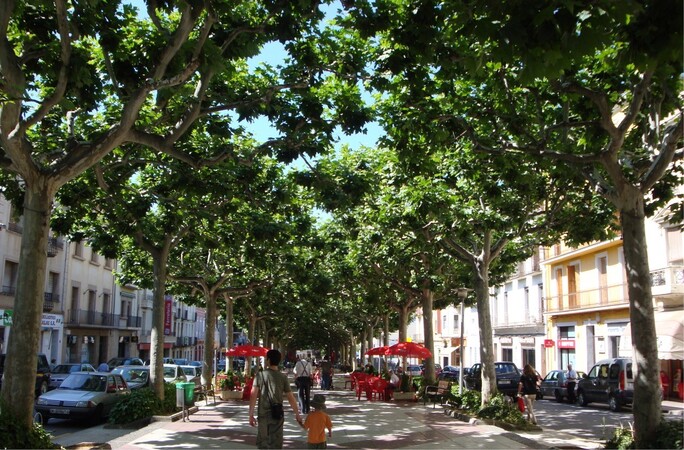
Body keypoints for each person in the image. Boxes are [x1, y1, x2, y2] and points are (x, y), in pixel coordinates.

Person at [249, 349, 301, 449]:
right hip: (277, 413)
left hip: (263, 413)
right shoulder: (283, 377)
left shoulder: (260, 375)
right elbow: (290, 397)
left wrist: (250, 414)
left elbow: (253, 395)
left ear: (268, 360)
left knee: (263, 443)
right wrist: (297, 413)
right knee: (276, 443)